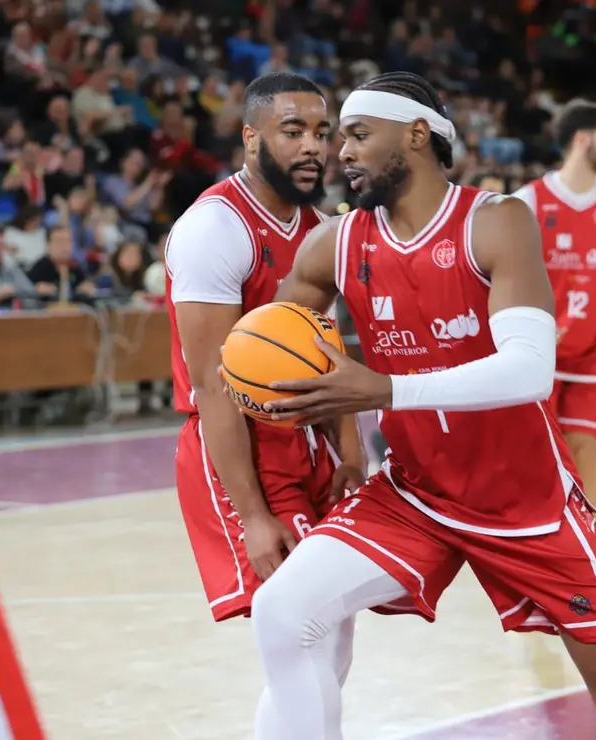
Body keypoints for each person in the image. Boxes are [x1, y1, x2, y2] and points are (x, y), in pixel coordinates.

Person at [251, 72, 596, 740]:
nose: (342, 153)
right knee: (283, 612)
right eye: (339, 139)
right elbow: (270, 347)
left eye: (359, 135)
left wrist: (388, 389)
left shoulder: (495, 221)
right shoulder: (334, 244)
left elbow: (530, 371)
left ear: (416, 135)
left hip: (526, 503)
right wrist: (275, 393)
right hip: (415, 492)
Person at [163, 72, 364, 691]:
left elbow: (325, 353)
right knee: (303, 635)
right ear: (251, 138)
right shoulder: (215, 228)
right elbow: (212, 385)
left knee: (333, 640)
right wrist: (251, 513)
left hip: (310, 440)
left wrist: (352, 453)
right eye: (293, 131)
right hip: (244, 446)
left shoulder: (320, 229)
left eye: (322, 133)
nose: (313, 147)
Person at [510, 99, 596, 509]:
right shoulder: (527, 202)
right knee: (537, 461)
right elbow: (501, 283)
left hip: (591, 353)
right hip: (536, 354)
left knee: (585, 449)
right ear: (582, 139)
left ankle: (588, 555)